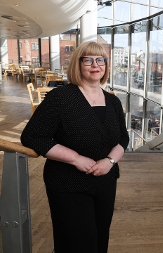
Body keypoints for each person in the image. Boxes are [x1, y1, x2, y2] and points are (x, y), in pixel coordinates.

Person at [21, 41, 129, 253]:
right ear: (77, 65)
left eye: (100, 60)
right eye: (88, 60)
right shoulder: (60, 98)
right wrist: (75, 158)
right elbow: (32, 137)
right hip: (68, 183)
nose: (95, 65)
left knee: (100, 238)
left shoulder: (113, 101)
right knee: (77, 243)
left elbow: (123, 139)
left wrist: (110, 161)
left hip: (106, 180)